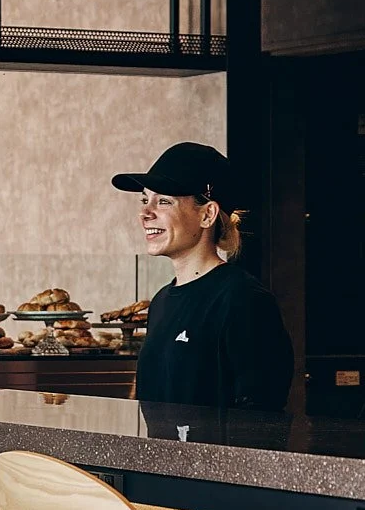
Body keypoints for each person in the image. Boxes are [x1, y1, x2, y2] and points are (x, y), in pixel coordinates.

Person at [112, 141, 295, 411]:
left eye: (163, 201)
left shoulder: (244, 300)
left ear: (207, 214)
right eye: (144, 199)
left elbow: (261, 424)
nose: (145, 213)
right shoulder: (162, 302)